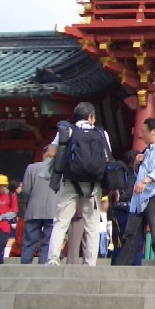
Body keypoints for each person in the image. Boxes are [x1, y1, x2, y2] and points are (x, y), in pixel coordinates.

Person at [46, 102, 111, 266]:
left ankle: (53, 258)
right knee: (92, 225)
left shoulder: (67, 130)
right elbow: (107, 158)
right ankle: (90, 262)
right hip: (93, 185)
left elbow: (52, 152)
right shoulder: (101, 133)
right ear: (90, 117)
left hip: (70, 182)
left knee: (61, 221)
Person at [113, 118, 155, 267]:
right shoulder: (146, 151)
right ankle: (122, 265)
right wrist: (136, 165)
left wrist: (146, 181)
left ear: (153, 131)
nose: (141, 134)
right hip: (140, 199)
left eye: (144, 131)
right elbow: (138, 174)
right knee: (131, 234)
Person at [20, 145, 59, 264]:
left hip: (34, 209)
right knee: (48, 241)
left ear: (45, 154)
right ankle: (43, 266)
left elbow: (26, 190)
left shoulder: (32, 168)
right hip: (53, 209)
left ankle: (25, 266)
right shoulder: (60, 170)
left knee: (29, 241)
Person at [110, 150, 142, 266]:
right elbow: (131, 192)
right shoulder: (133, 175)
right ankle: (134, 267)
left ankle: (117, 265)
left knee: (120, 242)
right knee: (135, 242)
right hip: (130, 211)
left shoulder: (119, 173)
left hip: (119, 210)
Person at [3, 180, 22, 260]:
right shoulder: (12, 196)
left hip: (7, 219)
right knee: (11, 239)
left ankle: (3, 255)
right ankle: (5, 256)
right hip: (10, 219)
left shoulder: (8, 195)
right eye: (20, 186)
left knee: (8, 239)